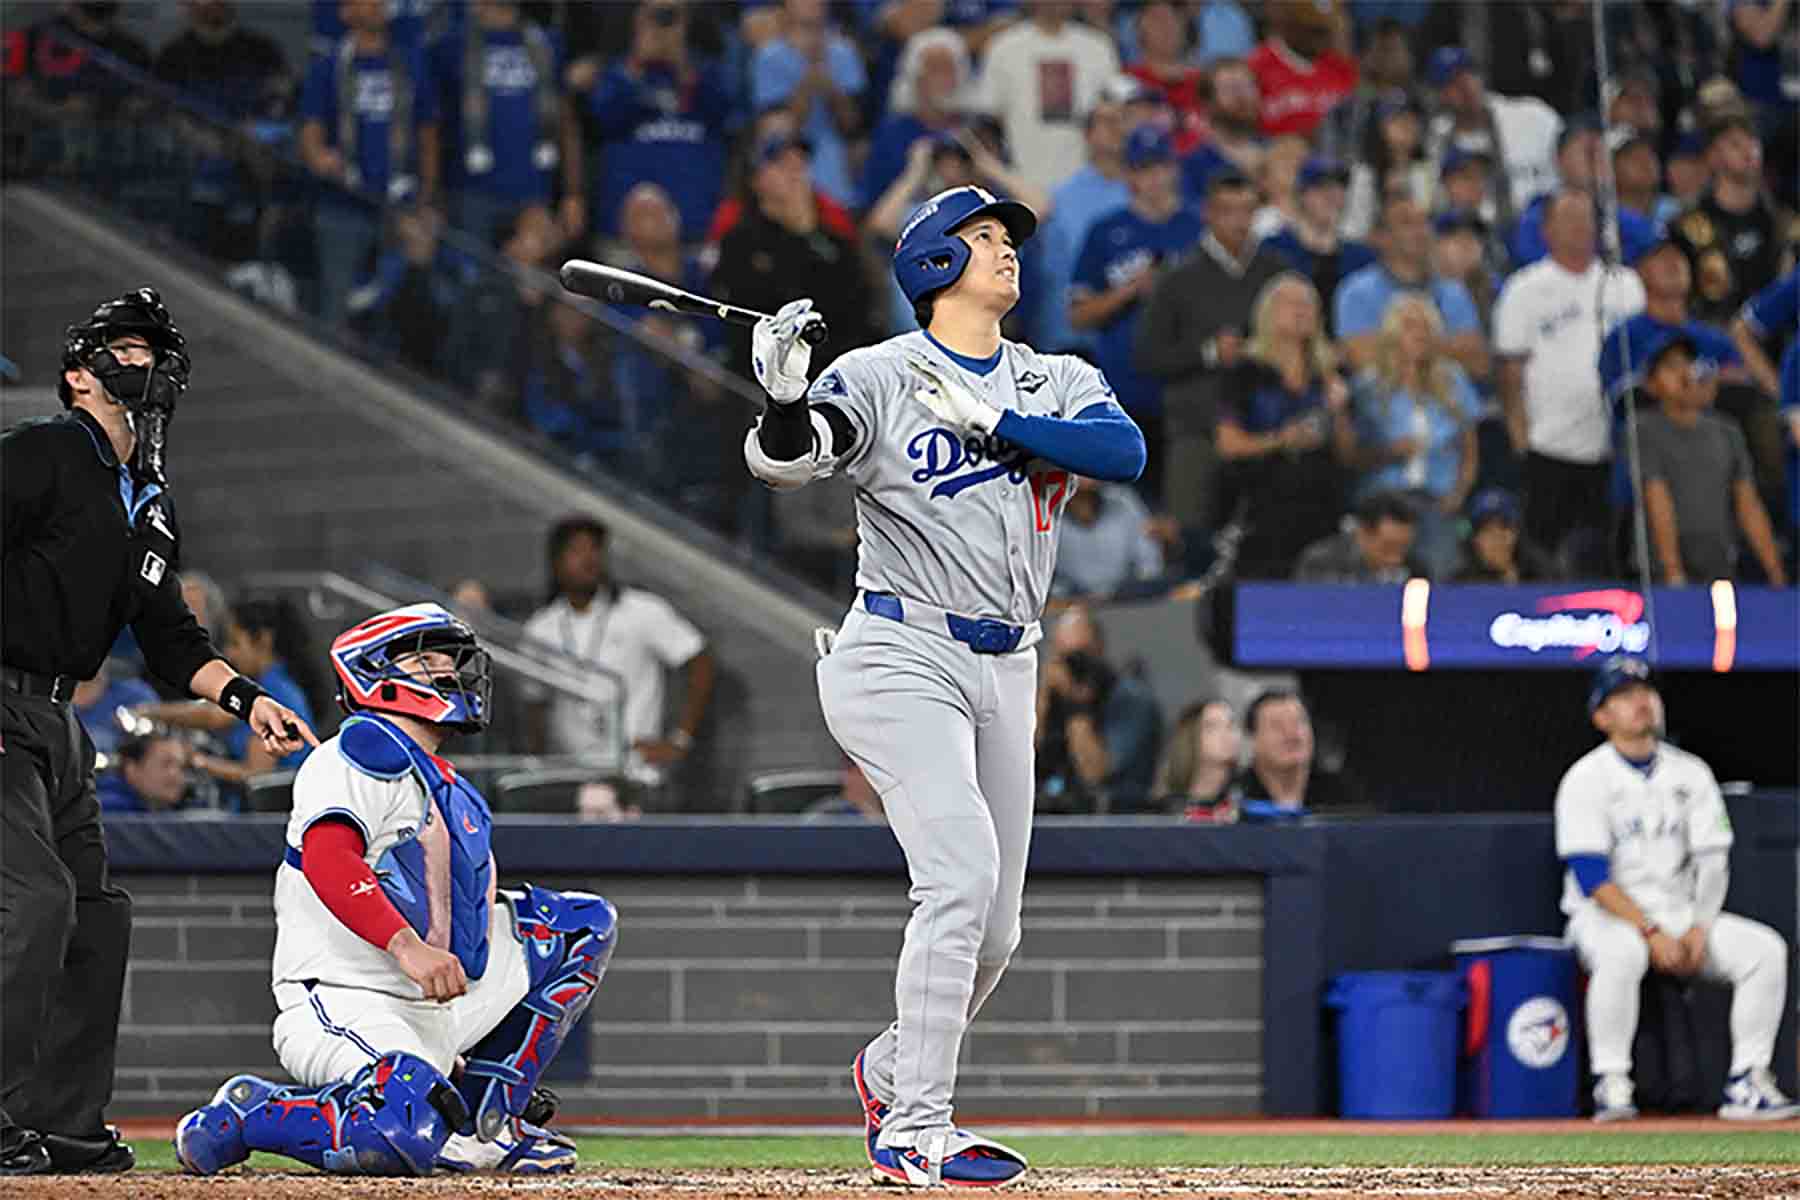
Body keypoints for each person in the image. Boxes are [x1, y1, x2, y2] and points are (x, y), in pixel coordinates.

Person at [741, 183, 1146, 1184]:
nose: (1007, 249)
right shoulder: (878, 374)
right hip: (900, 649)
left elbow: (1124, 451)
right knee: (959, 877)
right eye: (984, 236)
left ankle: (890, 1068)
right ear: (934, 263)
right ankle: (915, 1128)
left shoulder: (1054, 376)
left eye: (1008, 237)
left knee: (996, 930)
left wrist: (1001, 417)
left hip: (1010, 660)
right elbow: (796, 460)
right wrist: (785, 399)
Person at [1, 289, 316, 1176]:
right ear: (78, 374)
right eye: (126, 349)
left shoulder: (149, 501)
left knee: (96, 917)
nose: (145, 365)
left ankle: (60, 1123)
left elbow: (170, 635)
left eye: (154, 352)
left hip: (57, 720)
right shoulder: (42, 451)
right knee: (34, 900)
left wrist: (246, 699)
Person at [172, 603, 620, 1175]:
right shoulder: (352, 755)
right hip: (345, 998)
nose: (450, 671)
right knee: (399, 1127)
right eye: (428, 660)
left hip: (438, 1002)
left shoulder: (441, 781)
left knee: (578, 925)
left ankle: (483, 1126)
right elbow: (329, 858)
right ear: (376, 674)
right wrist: (407, 946)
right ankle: (250, 1112)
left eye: (450, 660)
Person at [1554, 656, 1799, 1123]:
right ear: (1601, 716)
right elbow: (1592, 878)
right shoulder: (1586, 778)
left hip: (1682, 913)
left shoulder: (1691, 773)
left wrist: (1700, 928)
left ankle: (1748, 1079)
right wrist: (1650, 931)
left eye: (1646, 692)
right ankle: (1612, 1081)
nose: (1641, 702)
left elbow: (1713, 861)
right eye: (1624, 696)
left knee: (1764, 950)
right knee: (1622, 952)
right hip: (1606, 917)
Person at [1492, 191, 1645, 573]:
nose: (1580, 227)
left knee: (1610, 555)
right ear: (1547, 230)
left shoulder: (1626, 285)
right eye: (1569, 219)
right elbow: (1510, 373)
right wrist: (1521, 441)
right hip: (1548, 445)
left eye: (1586, 218)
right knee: (1541, 555)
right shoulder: (1524, 289)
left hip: (1615, 447)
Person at [1135, 169, 1288, 536]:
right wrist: (1208, 352)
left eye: (1247, 211)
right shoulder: (1177, 278)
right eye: (1228, 211)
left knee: (1268, 535)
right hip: (1195, 428)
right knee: (1190, 537)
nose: (1239, 221)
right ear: (1208, 213)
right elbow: (1148, 355)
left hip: (1264, 430)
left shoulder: (1276, 272)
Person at [521, 517, 715, 794]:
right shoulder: (541, 628)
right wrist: (539, 768)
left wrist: (680, 740)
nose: (589, 559)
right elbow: (534, 704)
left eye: (595, 549)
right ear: (556, 562)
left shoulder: (641, 610)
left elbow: (700, 659)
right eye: (577, 550)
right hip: (571, 776)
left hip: (635, 774)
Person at [1068, 124, 1202, 495]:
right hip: (1124, 386)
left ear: (1174, 169)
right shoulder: (1106, 231)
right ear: (1130, 176)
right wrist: (1130, 291)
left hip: (1187, 388)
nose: (1155, 178)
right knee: (1126, 501)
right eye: (1144, 169)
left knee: (1185, 500)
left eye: (1161, 166)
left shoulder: (1198, 226)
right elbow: (1077, 315)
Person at [298, 0, 435, 326]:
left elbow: (429, 134)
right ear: (346, 13)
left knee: (395, 312)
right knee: (338, 307)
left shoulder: (410, 64)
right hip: (343, 203)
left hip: (399, 206)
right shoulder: (328, 66)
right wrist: (318, 155)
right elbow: (310, 129)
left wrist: (427, 196)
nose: (376, 5)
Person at [1215, 272, 1356, 579]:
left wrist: (1340, 413)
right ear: (1268, 312)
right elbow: (1228, 445)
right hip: (1261, 507)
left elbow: (1348, 455)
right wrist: (1283, 439)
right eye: (1291, 303)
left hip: (1322, 505)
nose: (1301, 310)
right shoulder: (1244, 373)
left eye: (1308, 303)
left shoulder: (1330, 373)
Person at [421, 0, 584, 245]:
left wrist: (573, 193)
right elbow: (430, 128)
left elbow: (567, 123)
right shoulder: (448, 45)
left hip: (534, 193)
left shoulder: (548, 43)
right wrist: (430, 197)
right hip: (469, 195)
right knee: (472, 269)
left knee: (528, 267)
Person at [711, 132, 876, 374]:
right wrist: (800, 233)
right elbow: (755, 314)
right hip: (767, 376)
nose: (796, 174)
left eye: (801, 165)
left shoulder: (835, 241)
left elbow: (859, 310)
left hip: (840, 371)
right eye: (783, 165)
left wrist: (807, 232)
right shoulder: (740, 242)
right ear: (757, 179)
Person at [126, 595, 324, 789]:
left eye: (235, 643)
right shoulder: (270, 684)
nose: (229, 654)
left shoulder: (274, 693)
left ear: (263, 641)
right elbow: (218, 714)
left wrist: (197, 760)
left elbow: (257, 774)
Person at [1636, 334, 1787, 587]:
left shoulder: (1727, 430)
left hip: (1719, 567)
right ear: (1651, 384)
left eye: (1688, 364)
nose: (1685, 374)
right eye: (1671, 367)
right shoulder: (1643, 429)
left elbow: (1748, 504)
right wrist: (1673, 571)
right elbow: (1657, 497)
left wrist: (1775, 571)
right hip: (1661, 576)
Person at [575, 0, 732, 240]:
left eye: (671, 16)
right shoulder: (616, 74)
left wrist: (682, 65)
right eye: (655, 15)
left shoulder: (708, 72)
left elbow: (720, 116)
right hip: (626, 233)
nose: (662, 25)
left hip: (696, 228)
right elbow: (605, 122)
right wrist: (637, 64)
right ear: (637, 19)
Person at [1350, 294, 1481, 576]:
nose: (1420, 334)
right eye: (1410, 326)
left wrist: (1458, 495)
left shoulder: (1453, 381)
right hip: (1384, 501)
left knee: (1440, 576)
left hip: (1437, 500)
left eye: (1426, 327)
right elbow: (1353, 454)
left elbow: (1469, 448)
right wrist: (1391, 452)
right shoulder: (1368, 387)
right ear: (1392, 334)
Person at [1334, 194, 1489, 382]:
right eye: (1406, 223)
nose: (1420, 230)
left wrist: (1399, 345)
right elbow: (1363, 360)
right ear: (1381, 237)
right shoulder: (1357, 293)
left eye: (1424, 222)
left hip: (1451, 398)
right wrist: (1446, 346)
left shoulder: (1453, 292)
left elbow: (1478, 363)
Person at [975, 0, 1120, 195]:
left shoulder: (1099, 47)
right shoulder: (1003, 47)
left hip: (1088, 183)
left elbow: (1112, 116)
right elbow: (989, 120)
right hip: (1021, 182)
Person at [1033, 76, 1134, 353]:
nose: (1117, 128)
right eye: (1107, 121)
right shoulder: (1061, 197)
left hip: (1130, 337)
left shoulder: (1145, 191)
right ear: (1088, 134)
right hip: (1070, 340)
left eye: (1123, 120)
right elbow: (1053, 272)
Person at [1034, 605, 1162, 813]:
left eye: (1081, 655)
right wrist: (1044, 697)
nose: (1073, 666)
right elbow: (1022, 760)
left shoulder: (1131, 699)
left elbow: (1094, 775)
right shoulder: (1051, 696)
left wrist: (1077, 706)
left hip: (1113, 817)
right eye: (1064, 657)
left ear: (1100, 649)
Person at [1669, 113, 1790, 326]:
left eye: (1753, 142)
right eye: (1735, 144)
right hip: (1714, 337)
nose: (1749, 151)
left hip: (1776, 336)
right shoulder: (1685, 226)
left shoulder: (1784, 222)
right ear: (1713, 157)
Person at [1421, 47, 1561, 225]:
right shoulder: (1437, 141)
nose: (1465, 87)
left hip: (1546, 225)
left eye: (1468, 75)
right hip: (1480, 233)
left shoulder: (1532, 115)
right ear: (1440, 95)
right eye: (1452, 83)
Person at [751, 0, 866, 208]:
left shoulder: (844, 53)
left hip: (836, 159)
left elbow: (852, 126)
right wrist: (807, 83)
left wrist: (832, 89)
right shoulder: (769, 57)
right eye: (804, 26)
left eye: (818, 25)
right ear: (785, 21)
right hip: (788, 158)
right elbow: (779, 133)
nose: (812, 35)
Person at [1261, 157, 1376, 334]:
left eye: (1340, 188)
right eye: (1321, 188)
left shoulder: (1361, 257)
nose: (1332, 196)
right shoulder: (1274, 248)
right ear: (1301, 195)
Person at [1244, 0, 1357, 140]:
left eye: (1327, 29)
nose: (1324, 37)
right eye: (1314, 30)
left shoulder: (1340, 66)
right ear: (1289, 23)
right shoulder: (1257, 66)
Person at [1233, 690, 1351, 817]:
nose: (1292, 734)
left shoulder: (1344, 796)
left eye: (1299, 722)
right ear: (1252, 740)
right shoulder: (1235, 799)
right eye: (1277, 725)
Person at [1050, 478, 1165, 599]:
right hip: (1066, 602)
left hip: (1126, 599)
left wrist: (1135, 592)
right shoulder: (1045, 506)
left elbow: (1149, 565)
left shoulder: (1122, 500)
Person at [1178, 56, 1265, 208]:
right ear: (1207, 104)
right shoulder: (1193, 165)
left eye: (1247, 86)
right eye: (1229, 89)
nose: (1241, 97)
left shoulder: (1277, 151)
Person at [1292, 489, 1422, 584]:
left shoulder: (1415, 571)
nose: (1396, 559)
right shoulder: (1321, 562)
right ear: (1362, 533)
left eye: (1404, 547)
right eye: (1388, 547)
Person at [1152, 699, 1243, 821]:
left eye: (1231, 725)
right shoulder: (1166, 807)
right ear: (1190, 737)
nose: (1227, 734)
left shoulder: (1247, 795)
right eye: (1212, 727)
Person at [1452, 488, 1555, 583]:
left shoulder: (1543, 576)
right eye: (1487, 530)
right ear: (1474, 540)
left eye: (1504, 527)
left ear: (1517, 533)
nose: (1498, 538)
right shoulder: (1458, 586)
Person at [97, 734, 193, 815]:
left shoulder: (173, 810)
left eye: (182, 766)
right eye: (165, 764)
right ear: (131, 770)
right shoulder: (104, 811)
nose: (175, 774)